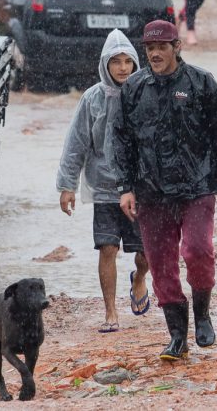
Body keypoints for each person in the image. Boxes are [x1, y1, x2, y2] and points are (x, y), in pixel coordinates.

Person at [113, 20, 217, 361]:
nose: (154, 54)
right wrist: (125, 187)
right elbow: (122, 141)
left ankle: (202, 314)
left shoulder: (201, 83)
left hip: (197, 186)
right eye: (149, 49)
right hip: (151, 191)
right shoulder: (134, 88)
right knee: (161, 265)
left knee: (198, 250)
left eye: (161, 48)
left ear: (176, 47)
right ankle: (176, 336)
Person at [56, 30, 150, 332]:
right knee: (107, 248)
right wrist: (67, 185)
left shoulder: (146, 94)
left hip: (140, 190)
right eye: (116, 62)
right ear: (105, 65)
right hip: (104, 189)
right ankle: (111, 312)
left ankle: (139, 279)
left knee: (145, 252)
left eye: (128, 62)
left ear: (136, 64)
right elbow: (76, 143)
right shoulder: (93, 99)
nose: (123, 68)